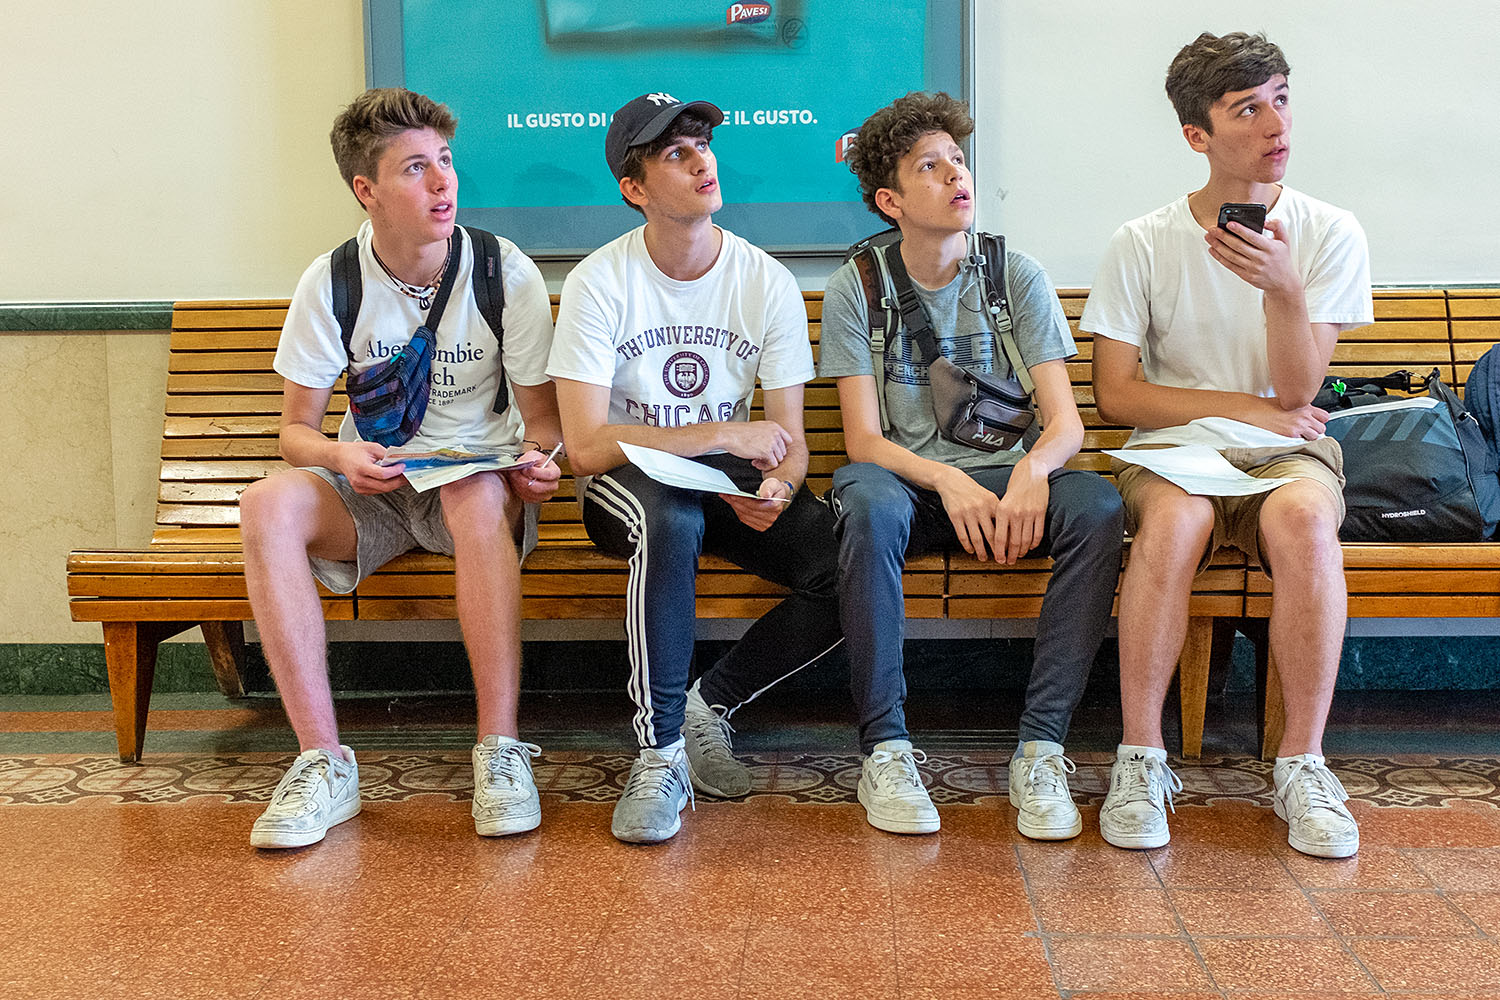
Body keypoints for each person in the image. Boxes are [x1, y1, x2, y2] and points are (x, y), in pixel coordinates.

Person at [239, 88, 562, 849]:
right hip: (375, 486)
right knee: (265, 506)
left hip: (479, 486)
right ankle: (323, 763)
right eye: (416, 168)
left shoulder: (499, 269)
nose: (443, 182)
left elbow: (543, 424)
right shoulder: (333, 281)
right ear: (367, 189)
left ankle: (500, 750)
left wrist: (540, 463)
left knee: (477, 490)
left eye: (445, 161)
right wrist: (338, 454)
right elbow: (294, 432)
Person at [1082, 32, 1373, 858]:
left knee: (1306, 523)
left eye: (1281, 99)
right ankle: (1141, 757)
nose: (1275, 123)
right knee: (1174, 526)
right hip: (1175, 450)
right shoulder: (1142, 240)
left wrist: (1284, 287)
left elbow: (1299, 394)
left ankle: (1303, 765)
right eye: (1248, 108)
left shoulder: (1328, 231)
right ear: (1198, 137)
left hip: (1287, 450)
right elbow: (1117, 396)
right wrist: (1242, 406)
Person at [820, 92, 1124, 838]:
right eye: (932, 166)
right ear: (889, 199)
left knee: (1099, 508)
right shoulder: (856, 287)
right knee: (862, 499)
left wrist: (1030, 476)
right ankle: (886, 749)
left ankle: (1042, 747)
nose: (957, 176)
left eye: (958, 160)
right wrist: (949, 479)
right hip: (914, 489)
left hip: (1010, 488)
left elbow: (1065, 424)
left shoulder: (1012, 274)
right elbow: (864, 440)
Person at [547, 92, 842, 844]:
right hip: (628, 484)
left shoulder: (763, 280)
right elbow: (583, 447)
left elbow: (790, 440)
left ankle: (708, 705)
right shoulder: (599, 282)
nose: (701, 160)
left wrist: (780, 485)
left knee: (849, 563)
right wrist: (719, 432)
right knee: (668, 517)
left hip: (729, 482)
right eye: (675, 153)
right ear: (635, 188)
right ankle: (660, 755)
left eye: (702, 145)